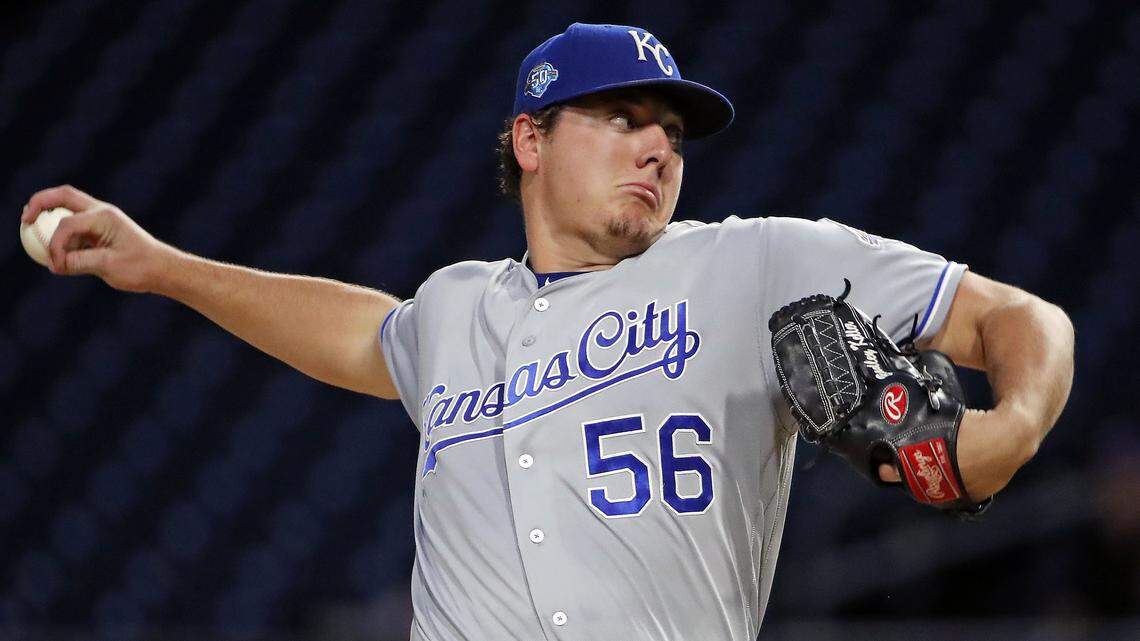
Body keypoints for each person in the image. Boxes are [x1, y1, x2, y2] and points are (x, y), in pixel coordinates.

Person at [22, 22, 1074, 641]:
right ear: (530, 137)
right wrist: (161, 266)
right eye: (623, 120)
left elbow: (1022, 319)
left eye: (672, 133)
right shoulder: (453, 309)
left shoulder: (753, 260)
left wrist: (1009, 426)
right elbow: (359, 334)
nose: (658, 148)